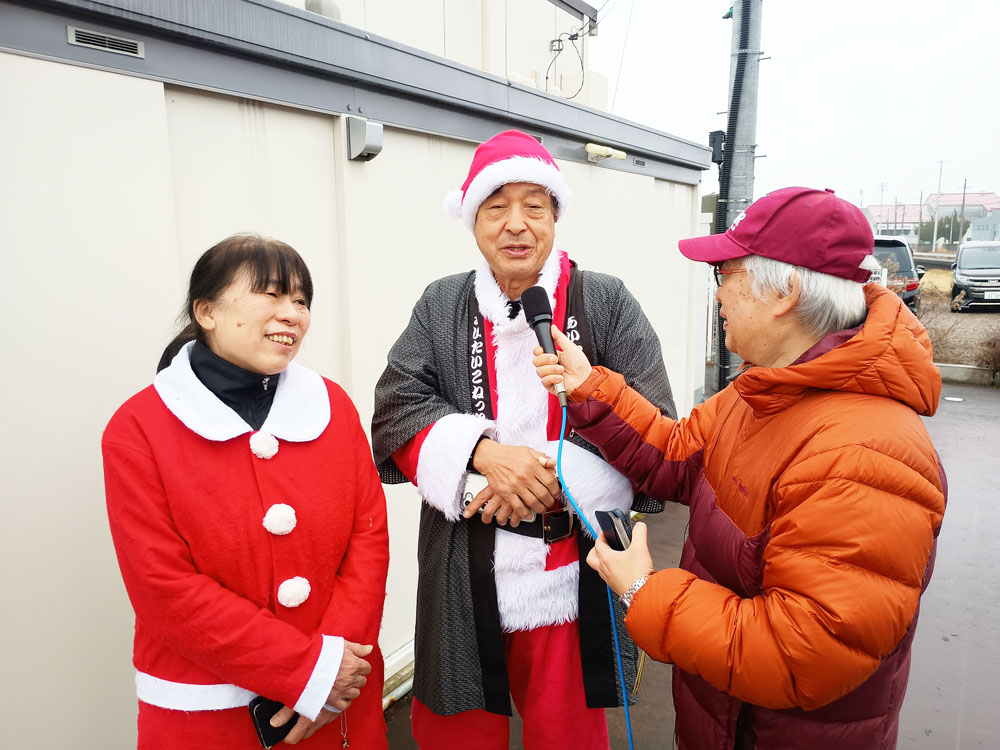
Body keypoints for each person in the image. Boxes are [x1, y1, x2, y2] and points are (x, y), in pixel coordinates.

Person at [533, 187, 948, 750]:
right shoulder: (765, 390)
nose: (718, 293)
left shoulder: (863, 455)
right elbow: (676, 454)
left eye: (725, 274)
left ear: (786, 293)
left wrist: (644, 590)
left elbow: (799, 654)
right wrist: (590, 388)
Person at [371, 130, 676, 749]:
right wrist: (483, 455)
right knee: (456, 732)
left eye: (534, 206)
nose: (516, 224)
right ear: (472, 221)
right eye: (496, 208)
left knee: (567, 736)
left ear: (555, 215)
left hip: (575, 566)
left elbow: (655, 422)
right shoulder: (442, 303)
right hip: (464, 560)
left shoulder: (605, 300)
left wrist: (547, 478)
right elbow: (396, 404)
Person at [102, 234, 390, 749]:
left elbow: (367, 537)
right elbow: (162, 587)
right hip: (208, 709)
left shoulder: (332, 406)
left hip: (340, 694)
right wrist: (304, 669)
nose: (292, 314)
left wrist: (332, 667)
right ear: (207, 311)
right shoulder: (137, 428)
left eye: (301, 300)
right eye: (270, 294)